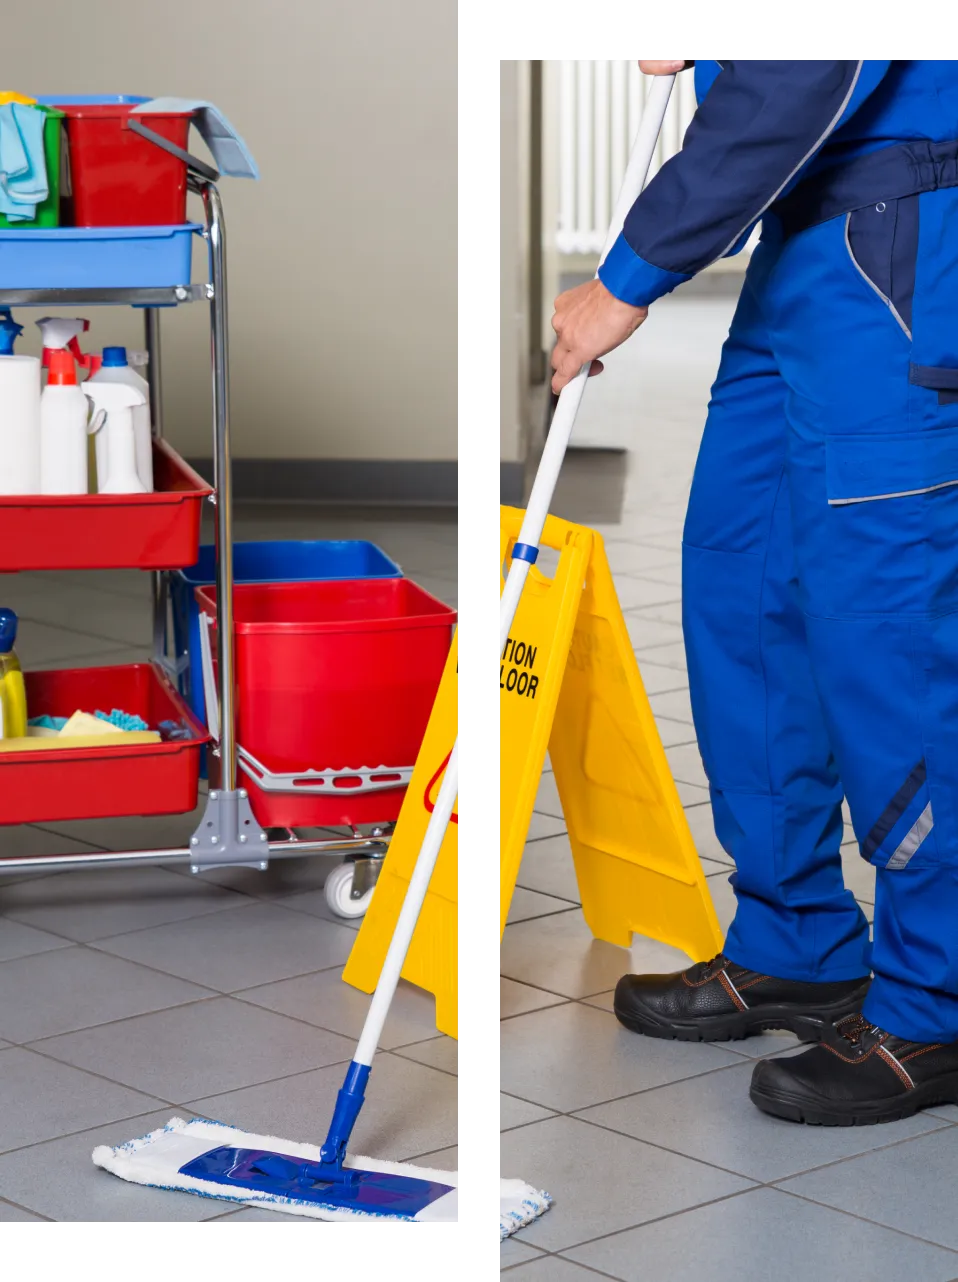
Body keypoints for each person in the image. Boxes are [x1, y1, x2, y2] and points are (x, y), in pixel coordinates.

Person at [550, 57, 958, 1126]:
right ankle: (797, 944)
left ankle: (937, 998)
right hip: (802, 248)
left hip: (902, 241)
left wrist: (627, 275)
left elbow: (806, 69)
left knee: (888, 635)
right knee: (744, 599)